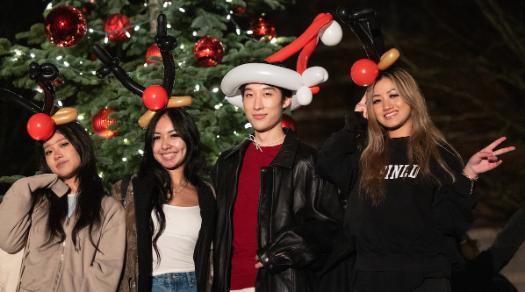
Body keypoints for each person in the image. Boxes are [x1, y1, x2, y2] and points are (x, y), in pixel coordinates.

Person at [317, 67, 516, 292]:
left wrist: (469, 175)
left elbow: (451, 221)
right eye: (377, 100)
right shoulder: (365, 156)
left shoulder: (439, 154)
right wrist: (355, 122)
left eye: (394, 95)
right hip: (370, 277)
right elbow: (325, 163)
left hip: (426, 277)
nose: (386, 106)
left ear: (412, 98)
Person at [213, 63, 343, 292]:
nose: (257, 104)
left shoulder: (307, 161)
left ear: (285, 101)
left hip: (282, 285)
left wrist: (280, 253)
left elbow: (330, 228)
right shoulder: (227, 162)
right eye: (249, 94)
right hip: (229, 284)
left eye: (267, 93)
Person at [0, 122, 126, 292]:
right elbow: (9, 243)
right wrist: (25, 185)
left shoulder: (109, 209)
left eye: (64, 144)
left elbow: (106, 272)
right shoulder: (38, 203)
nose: (56, 155)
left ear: (81, 146)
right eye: (49, 151)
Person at [113, 108, 216, 292]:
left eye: (173, 135)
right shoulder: (130, 190)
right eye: (157, 137)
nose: (165, 145)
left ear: (189, 138)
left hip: (194, 285)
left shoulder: (208, 193)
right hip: (150, 285)